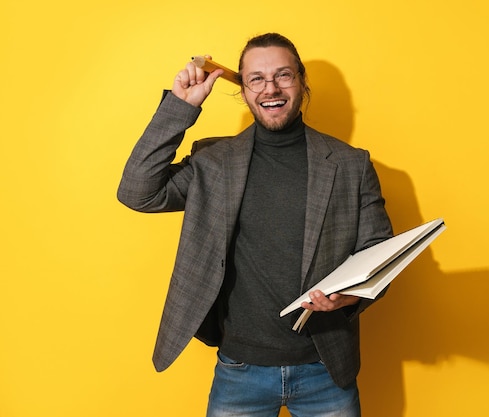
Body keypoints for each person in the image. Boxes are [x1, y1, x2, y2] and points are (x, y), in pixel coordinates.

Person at [117, 32, 393, 417]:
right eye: (257, 79)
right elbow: (137, 191)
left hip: (325, 369)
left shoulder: (350, 163)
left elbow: (379, 253)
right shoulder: (213, 161)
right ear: (243, 91)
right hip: (239, 370)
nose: (271, 88)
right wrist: (181, 108)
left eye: (283, 75)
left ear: (301, 81)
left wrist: (354, 295)